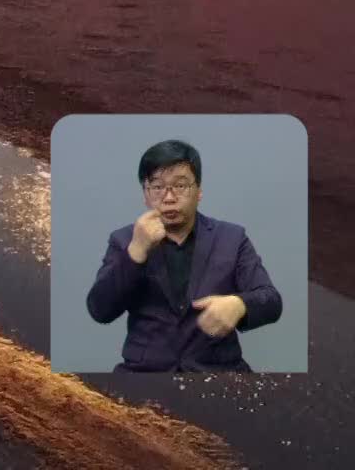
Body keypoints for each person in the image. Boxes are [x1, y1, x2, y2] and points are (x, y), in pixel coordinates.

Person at [85, 139, 283, 372]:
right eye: (157, 187)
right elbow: (99, 310)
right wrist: (136, 251)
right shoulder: (124, 240)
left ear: (198, 191)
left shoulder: (232, 237)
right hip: (145, 375)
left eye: (180, 186)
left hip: (217, 374)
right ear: (145, 195)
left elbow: (272, 301)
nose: (168, 197)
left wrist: (239, 304)